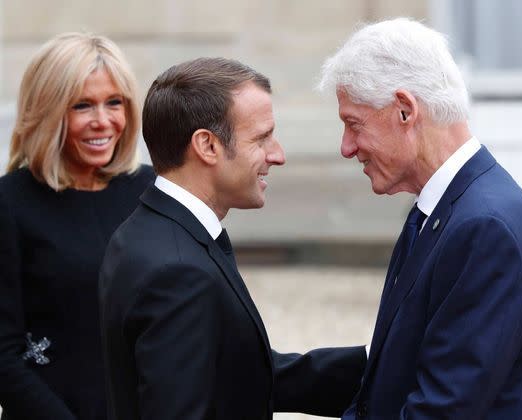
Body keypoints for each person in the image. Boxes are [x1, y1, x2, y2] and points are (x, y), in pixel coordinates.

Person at [319, 17, 522, 419]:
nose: (347, 147)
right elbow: (393, 372)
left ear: (404, 111)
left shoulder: (484, 230)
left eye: (353, 124)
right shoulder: (445, 212)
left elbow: (439, 409)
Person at [98, 57, 366, 420]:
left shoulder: (154, 232)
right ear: (207, 146)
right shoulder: (177, 271)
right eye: (262, 138)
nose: (278, 154)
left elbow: (236, 371)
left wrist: (378, 364)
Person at [0, 33, 154, 419]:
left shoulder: (153, 190)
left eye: (114, 102)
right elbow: (2, 354)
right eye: (82, 105)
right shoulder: (9, 202)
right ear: (48, 111)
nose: (103, 122)